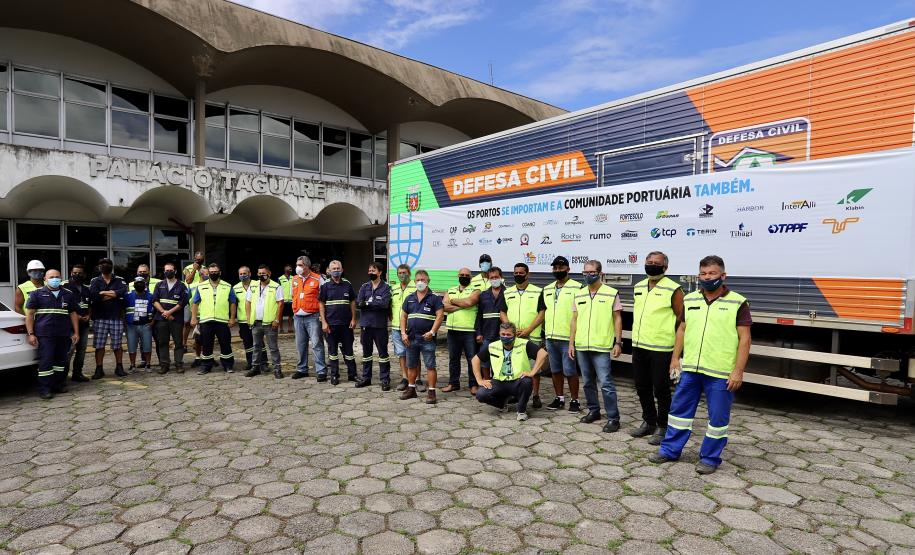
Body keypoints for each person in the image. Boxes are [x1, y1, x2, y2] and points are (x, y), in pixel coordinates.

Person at [650, 255, 752, 475]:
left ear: (723, 276)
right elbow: (682, 329)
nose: (707, 277)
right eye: (703, 274)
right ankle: (669, 450)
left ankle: (710, 458)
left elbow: (745, 339)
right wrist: (675, 358)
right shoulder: (690, 300)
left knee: (718, 419)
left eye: (712, 273)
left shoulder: (738, 302)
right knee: (678, 413)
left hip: (720, 373)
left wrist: (738, 371)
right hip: (691, 370)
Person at [630, 251, 684, 445]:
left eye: (656, 263)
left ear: (665, 267)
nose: (652, 265)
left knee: (661, 389)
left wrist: (676, 353)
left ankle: (663, 426)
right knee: (641, 387)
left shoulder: (674, 289)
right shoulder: (638, 286)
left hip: (662, 348)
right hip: (639, 346)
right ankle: (649, 421)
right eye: (649, 262)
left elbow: (682, 319)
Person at [569, 260, 623, 433]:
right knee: (588, 382)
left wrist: (618, 342)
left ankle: (613, 418)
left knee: (606, 383)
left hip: (601, 346)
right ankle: (594, 411)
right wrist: (571, 343)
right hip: (582, 346)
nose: (588, 275)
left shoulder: (611, 293)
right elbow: (574, 320)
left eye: (592, 272)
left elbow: (617, 319)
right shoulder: (579, 294)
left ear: (600, 273)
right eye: (585, 272)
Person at [472, 322, 549, 421]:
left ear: (515, 335)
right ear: (499, 334)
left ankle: (521, 411)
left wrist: (532, 372)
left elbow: (543, 353)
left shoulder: (523, 344)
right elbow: (475, 360)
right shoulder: (493, 346)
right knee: (481, 394)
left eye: (508, 335)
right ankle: (503, 404)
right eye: (503, 334)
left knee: (527, 381)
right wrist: (479, 380)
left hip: (517, 381)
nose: (505, 337)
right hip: (499, 382)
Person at [25, 269, 79, 399]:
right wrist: (31, 333)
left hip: (63, 334)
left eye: (57, 277)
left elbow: (73, 314)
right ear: (45, 279)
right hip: (45, 335)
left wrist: (76, 332)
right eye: (52, 277)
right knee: (46, 361)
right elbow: (30, 314)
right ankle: (45, 389)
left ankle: (58, 385)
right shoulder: (36, 294)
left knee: (61, 361)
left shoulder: (68, 294)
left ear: (61, 278)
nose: (55, 279)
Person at [542, 256, 582, 413]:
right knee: (555, 370)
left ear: (568, 269)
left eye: (561, 267)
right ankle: (559, 398)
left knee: (570, 371)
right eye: (555, 268)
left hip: (567, 338)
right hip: (550, 337)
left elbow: (579, 314)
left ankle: (575, 400)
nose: (558, 270)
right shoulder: (547, 288)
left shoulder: (578, 288)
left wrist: (574, 338)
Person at [505, 262, 546, 409]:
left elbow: (542, 313)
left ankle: (535, 395)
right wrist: (510, 329)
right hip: (514, 336)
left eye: (521, 273)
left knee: (535, 368)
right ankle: (517, 394)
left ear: (528, 274)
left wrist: (528, 329)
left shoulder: (537, 291)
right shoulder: (508, 292)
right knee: (516, 366)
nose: (518, 275)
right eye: (515, 273)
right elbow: (503, 312)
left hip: (532, 335)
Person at [399, 270, 444, 403]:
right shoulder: (410, 298)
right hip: (411, 338)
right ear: (414, 281)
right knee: (411, 366)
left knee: (430, 366)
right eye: (418, 280)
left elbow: (440, 316)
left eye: (423, 280)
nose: (420, 282)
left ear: (428, 281)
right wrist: (403, 333)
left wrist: (432, 332)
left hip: (427, 339)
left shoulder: (434, 298)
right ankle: (411, 389)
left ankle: (431, 392)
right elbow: (403, 316)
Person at [190, 263, 237, 374]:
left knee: (225, 343)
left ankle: (228, 365)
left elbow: (233, 303)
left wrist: (232, 318)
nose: (213, 274)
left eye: (215, 272)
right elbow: (195, 303)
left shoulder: (227, 286)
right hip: (206, 320)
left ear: (219, 273)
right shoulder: (201, 286)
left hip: (222, 320)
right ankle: (206, 366)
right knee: (206, 344)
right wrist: (193, 317)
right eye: (211, 272)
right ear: (208, 273)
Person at [443, 267, 481, 394]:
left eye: (466, 275)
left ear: (470, 277)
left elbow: (470, 302)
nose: (464, 277)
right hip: (452, 330)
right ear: (458, 276)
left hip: (469, 330)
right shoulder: (451, 290)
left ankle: (473, 384)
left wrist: (453, 301)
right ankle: (453, 383)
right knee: (453, 359)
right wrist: (462, 305)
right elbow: (444, 307)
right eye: (462, 275)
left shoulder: (475, 290)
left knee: (472, 359)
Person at [319, 260, 356, 385]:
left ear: (342, 269)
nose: (336, 270)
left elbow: (352, 302)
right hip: (331, 325)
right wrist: (323, 322)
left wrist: (354, 318)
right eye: (333, 268)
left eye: (338, 268)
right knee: (333, 352)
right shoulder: (325, 286)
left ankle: (352, 375)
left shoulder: (347, 284)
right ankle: (334, 375)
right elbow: (321, 304)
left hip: (346, 324)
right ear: (329, 271)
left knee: (349, 352)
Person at [89, 257, 128, 378]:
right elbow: (94, 296)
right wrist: (113, 294)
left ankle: (119, 367)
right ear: (99, 267)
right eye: (102, 263)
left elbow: (122, 292)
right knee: (99, 345)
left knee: (117, 345)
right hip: (100, 317)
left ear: (111, 266)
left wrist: (103, 293)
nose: (104, 265)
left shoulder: (120, 280)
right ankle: (99, 369)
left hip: (116, 316)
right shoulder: (95, 281)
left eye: (107, 263)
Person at [356, 262, 392, 389]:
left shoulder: (386, 288)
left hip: (380, 326)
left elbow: (384, 304)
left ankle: (385, 379)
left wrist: (367, 304)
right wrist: (371, 303)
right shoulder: (364, 287)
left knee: (383, 354)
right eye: (369, 270)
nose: (371, 272)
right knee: (366, 354)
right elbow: (358, 303)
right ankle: (366, 378)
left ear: (380, 272)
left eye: (373, 270)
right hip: (366, 325)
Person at [245, 265, 285, 378]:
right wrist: (248, 318)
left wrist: (277, 319)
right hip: (256, 322)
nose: (261, 275)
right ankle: (255, 367)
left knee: (273, 347)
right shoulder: (253, 286)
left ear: (269, 273)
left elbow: (280, 304)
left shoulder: (276, 286)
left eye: (263, 273)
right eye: (259, 273)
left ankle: (277, 368)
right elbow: (247, 302)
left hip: (270, 322)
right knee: (256, 346)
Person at [290, 256, 326, 379]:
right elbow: (292, 295)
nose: (297, 267)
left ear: (306, 266)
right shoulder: (294, 279)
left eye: (300, 265)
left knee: (317, 344)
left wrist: (323, 317)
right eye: (297, 264)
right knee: (300, 345)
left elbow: (323, 298)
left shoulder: (318, 279)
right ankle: (302, 369)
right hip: (298, 317)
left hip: (313, 316)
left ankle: (321, 371)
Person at [152, 262, 188, 374]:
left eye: (170, 270)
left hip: (176, 319)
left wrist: (170, 312)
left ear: (175, 271)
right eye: (166, 270)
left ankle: (178, 364)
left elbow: (183, 302)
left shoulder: (182, 285)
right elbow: (154, 300)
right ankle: (164, 365)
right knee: (162, 342)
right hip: (161, 318)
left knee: (178, 342)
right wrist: (164, 312)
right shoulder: (159, 285)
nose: (168, 272)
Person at [474, 266, 508, 380]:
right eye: (491, 277)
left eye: (496, 277)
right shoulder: (483, 295)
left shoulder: (508, 293)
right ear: (488, 279)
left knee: (500, 359)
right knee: (485, 361)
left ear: (501, 277)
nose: (494, 279)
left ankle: (498, 381)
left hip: (502, 335)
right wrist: (478, 333)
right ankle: (487, 381)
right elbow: (479, 316)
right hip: (486, 334)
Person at [391, 264, 420, 392]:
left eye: (404, 272)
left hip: (411, 327)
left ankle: (418, 379)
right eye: (399, 273)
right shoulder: (394, 288)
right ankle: (405, 378)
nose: (402, 275)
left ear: (409, 273)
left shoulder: (415, 288)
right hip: (396, 327)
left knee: (414, 354)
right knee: (401, 354)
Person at [63, 264, 91, 382]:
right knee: (69, 350)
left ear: (84, 275)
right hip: (69, 325)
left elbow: (90, 305)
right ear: (71, 273)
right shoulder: (65, 287)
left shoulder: (86, 289)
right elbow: (64, 305)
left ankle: (77, 373)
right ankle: (63, 376)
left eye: (80, 273)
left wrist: (89, 315)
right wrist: (77, 316)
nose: (77, 275)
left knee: (82, 349)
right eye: (75, 273)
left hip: (84, 325)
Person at [125, 277, 155, 372]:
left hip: (146, 325)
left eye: (141, 283)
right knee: (131, 346)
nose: (139, 284)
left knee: (147, 345)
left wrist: (153, 322)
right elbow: (122, 309)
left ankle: (148, 364)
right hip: (131, 326)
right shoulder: (128, 296)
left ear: (145, 284)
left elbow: (156, 310)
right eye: (137, 283)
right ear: (134, 284)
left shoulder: (150, 296)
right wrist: (124, 322)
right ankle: (132, 365)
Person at [234, 267, 256, 371]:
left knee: (259, 342)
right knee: (247, 342)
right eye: (241, 274)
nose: (243, 275)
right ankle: (250, 362)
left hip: (257, 319)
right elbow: (233, 305)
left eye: (245, 273)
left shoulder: (257, 284)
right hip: (243, 320)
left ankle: (262, 362)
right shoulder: (235, 288)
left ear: (250, 273)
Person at [185, 266, 207, 367]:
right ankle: (198, 358)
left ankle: (207, 356)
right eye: (203, 274)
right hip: (197, 316)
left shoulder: (213, 285)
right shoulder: (192, 286)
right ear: (200, 275)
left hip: (209, 315)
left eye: (207, 274)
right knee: (198, 339)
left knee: (208, 338)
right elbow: (187, 299)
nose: (205, 276)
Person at [279, 264, 294, 333]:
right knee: (281, 315)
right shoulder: (280, 279)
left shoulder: (294, 278)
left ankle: (290, 328)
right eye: (289, 269)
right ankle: (281, 329)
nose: (290, 270)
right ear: (285, 270)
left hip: (291, 300)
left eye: (291, 269)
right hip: (283, 300)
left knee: (290, 315)